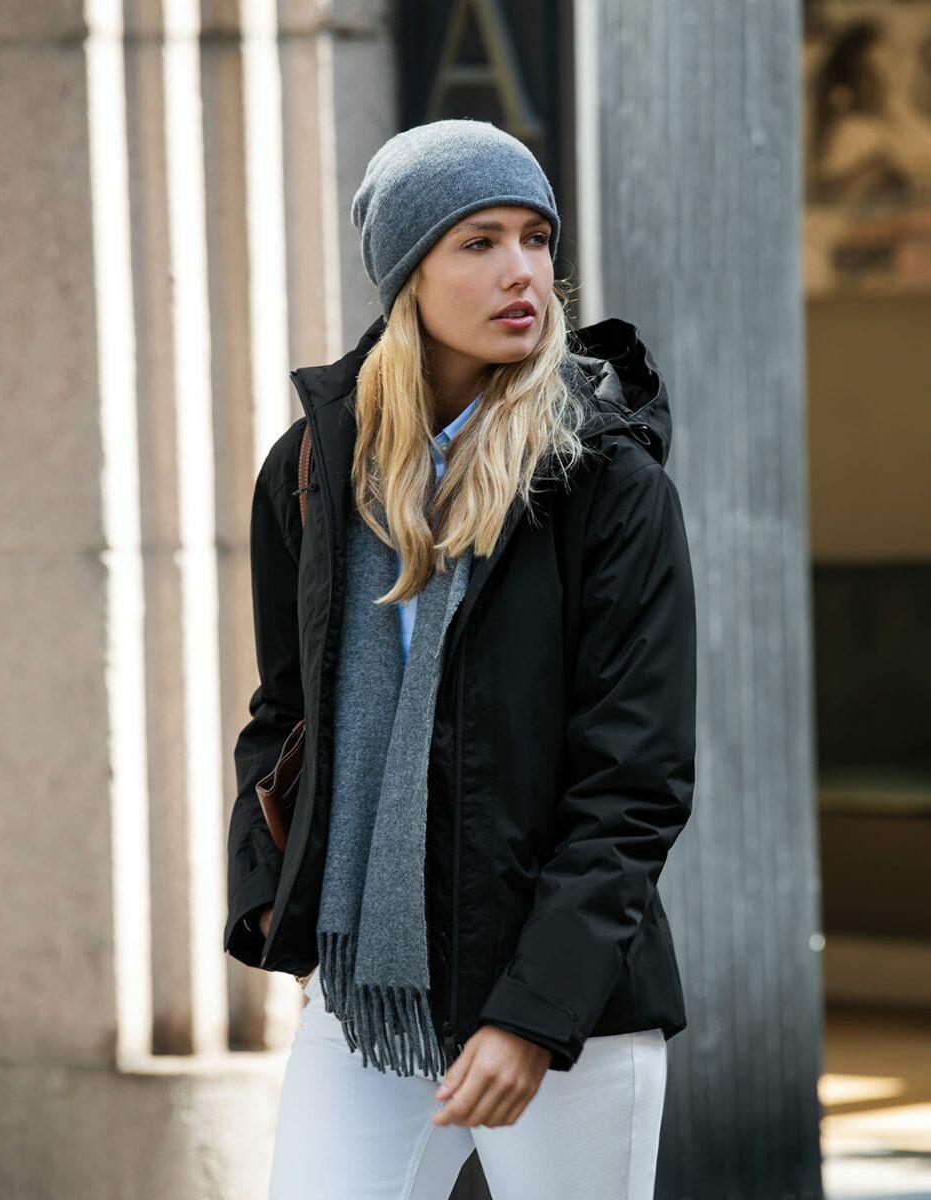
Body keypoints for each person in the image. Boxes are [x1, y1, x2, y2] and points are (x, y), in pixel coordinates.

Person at [223, 118, 697, 1200]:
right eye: (478, 242)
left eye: (535, 238)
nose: (522, 271)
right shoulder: (308, 473)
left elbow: (633, 782)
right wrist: (270, 899)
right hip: (370, 991)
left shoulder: (606, 484)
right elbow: (281, 711)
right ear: (407, 274)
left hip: (563, 1007)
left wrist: (534, 1014)